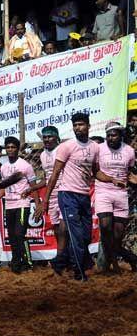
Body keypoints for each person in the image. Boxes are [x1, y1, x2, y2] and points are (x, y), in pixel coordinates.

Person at [43, 112, 99, 281]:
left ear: (88, 126)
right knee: (74, 235)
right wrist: (45, 199)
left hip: (83, 195)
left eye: (81, 124)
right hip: (67, 195)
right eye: (75, 125)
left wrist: (113, 179)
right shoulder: (66, 147)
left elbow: (96, 173)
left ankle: (59, 262)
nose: (77, 128)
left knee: (85, 236)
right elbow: (54, 174)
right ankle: (79, 273)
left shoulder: (95, 147)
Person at [94, 122, 137, 272]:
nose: (110, 138)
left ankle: (130, 258)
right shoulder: (99, 149)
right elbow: (96, 172)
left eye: (114, 135)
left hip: (121, 195)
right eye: (108, 135)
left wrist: (133, 179)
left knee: (117, 236)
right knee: (105, 227)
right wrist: (111, 179)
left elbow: (130, 171)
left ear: (120, 136)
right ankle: (114, 265)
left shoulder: (129, 151)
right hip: (103, 192)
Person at [0, 136, 40, 274]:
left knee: (20, 234)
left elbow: (33, 186)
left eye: (13, 147)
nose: (10, 150)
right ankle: (16, 263)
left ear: (18, 149)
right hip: (9, 205)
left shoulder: (25, 166)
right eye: (8, 147)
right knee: (12, 236)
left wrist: (37, 204)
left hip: (22, 204)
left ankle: (28, 263)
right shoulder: (4, 167)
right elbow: (2, 188)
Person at [32, 126, 66, 267]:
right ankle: (61, 255)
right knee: (57, 227)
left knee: (65, 226)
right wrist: (32, 188)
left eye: (50, 136)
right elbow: (47, 178)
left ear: (56, 137)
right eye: (44, 137)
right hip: (51, 193)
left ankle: (62, 258)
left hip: (64, 190)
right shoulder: (43, 155)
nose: (47, 139)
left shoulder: (62, 150)